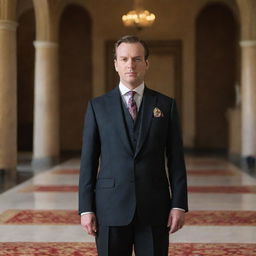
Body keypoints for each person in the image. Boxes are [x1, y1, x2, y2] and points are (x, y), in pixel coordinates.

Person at [79, 35, 188, 256]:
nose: (131, 64)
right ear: (116, 64)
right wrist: (86, 208)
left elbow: (176, 159)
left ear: (146, 64)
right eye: (125, 59)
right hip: (110, 207)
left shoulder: (166, 105)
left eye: (137, 59)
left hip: (155, 207)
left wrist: (178, 204)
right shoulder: (97, 107)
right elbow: (88, 162)